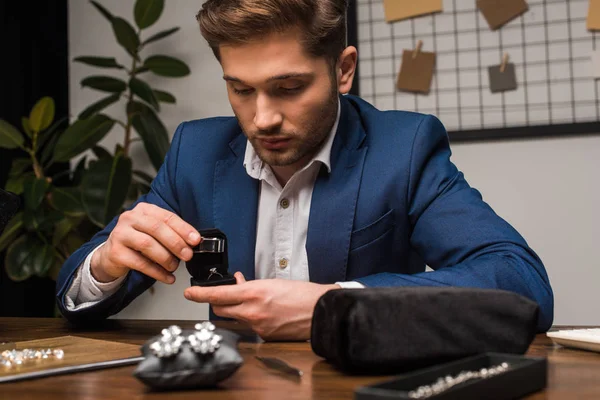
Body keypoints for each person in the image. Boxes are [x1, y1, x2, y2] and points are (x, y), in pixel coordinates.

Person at [56, 0, 553, 340]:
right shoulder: (195, 149)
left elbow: (520, 284)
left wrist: (331, 306)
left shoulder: (404, 148)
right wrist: (106, 265)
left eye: (289, 87)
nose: (262, 117)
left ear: (343, 70)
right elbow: (74, 296)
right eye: (241, 90)